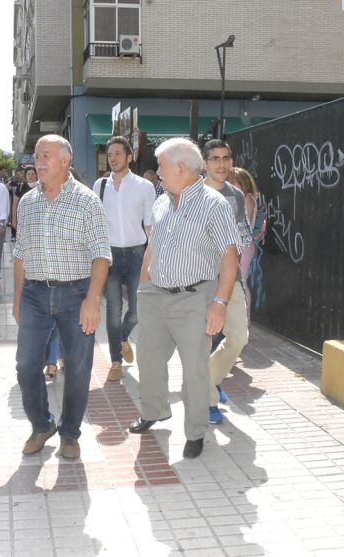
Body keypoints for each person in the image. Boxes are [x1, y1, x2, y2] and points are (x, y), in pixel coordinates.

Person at [129, 138, 240, 459]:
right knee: (148, 360)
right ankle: (154, 411)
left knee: (193, 369)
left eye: (161, 166)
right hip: (154, 296)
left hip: (194, 298)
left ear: (180, 168)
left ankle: (195, 432)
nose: (158, 173)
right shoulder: (162, 201)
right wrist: (142, 287)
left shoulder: (213, 204)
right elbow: (153, 247)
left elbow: (230, 257)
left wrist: (219, 303)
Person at [13, 134, 111, 460]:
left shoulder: (86, 201)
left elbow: (101, 254)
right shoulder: (27, 201)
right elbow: (20, 254)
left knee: (79, 369)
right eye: (37, 156)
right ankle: (41, 424)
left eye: (46, 155)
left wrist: (93, 300)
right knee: (26, 366)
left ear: (65, 161)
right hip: (35, 295)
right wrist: (17, 299)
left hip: (76, 294)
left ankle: (70, 432)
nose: (38, 161)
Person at [92, 137, 155, 382]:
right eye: (110, 154)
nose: (113, 158)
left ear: (130, 156)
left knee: (138, 310)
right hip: (109, 256)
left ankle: (122, 337)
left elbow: (150, 225)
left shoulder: (144, 187)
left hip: (138, 254)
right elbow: (95, 223)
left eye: (118, 153)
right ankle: (115, 360)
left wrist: (156, 254)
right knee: (113, 310)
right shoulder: (99, 186)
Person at [202, 140, 252, 424]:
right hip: (198, 281)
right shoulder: (191, 194)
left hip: (229, 278)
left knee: (238, 338)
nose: (221, 164)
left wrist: (239, 279)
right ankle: (207, 399)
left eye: (225, 158)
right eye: (215, 159)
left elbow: (241, 239)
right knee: (201, 343)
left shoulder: (234, 196)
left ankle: (211, 379)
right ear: (205, 163)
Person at [231, 167, 262, 322]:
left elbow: (245, 223)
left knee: (241, 283)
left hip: (243, 244)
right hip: (238, 244)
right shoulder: (240, 198)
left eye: (236, 182)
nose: (233, 185)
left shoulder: (247, 198)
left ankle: (245, 320)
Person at [11, 167, 35, 235]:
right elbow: (15, 204)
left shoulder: (41, 186)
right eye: (29, 174)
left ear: (36, 175)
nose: (31, 176)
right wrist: (14, 220)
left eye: (33, 174)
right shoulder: (21, 187)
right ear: (25, 176)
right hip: (24, 218)